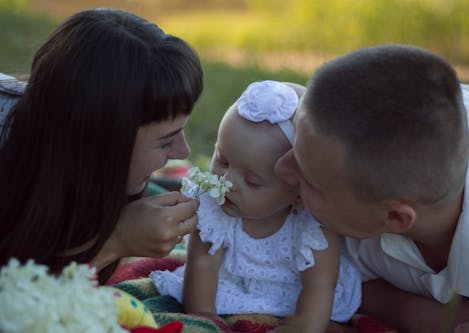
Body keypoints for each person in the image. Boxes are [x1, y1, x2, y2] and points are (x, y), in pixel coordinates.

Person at [275, 44, 469, 332]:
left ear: (395, 218)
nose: (280, 169)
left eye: (308, 179)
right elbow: (350, 289)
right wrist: (443, 320)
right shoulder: (349, 159)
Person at [0, 8, 202, 283]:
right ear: (104, 142)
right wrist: (115, 240)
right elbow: (16, 306)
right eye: (166, 140)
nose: (182, 152)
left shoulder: (70, 162)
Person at [149, 80, 361, 333]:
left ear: (298, 193)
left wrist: (305, 324)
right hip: (230, 283)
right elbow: (203, 265)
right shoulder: (214, 209)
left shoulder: (311, 225)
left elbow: (320, 283)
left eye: (252, 181)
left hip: (298, 294)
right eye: (222, 160)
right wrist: (203, 313)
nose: (227, 182)